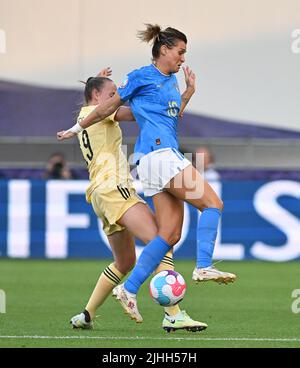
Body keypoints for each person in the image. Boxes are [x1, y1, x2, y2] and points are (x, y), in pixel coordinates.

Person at [58, 24, 236, 324]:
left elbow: (165, 115)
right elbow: (104, 110)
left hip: (146, 165)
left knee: (168, 236)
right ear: (164, 49)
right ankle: (202, 267)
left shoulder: (169, 84)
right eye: (180, 52)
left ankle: (128, 291)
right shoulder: (140, 76)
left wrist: (188, 93)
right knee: (212, 204)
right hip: (158, 158)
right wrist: (76, 127)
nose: (183, 58)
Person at [57, 67, 207, 332]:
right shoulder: (101, 114)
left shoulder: (86, 116)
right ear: (96, 96)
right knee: (161, 241)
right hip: (116, 189)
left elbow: (147, 114)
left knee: (125, 262)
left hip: (99, 194)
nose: (118, 98)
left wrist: (184, 97)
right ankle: (173, 314)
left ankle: (86, 315)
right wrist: (174, 96)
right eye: (112, 94)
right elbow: (144, 114)